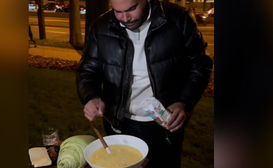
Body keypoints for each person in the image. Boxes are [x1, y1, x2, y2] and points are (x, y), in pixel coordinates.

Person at [76, 0, 213, 167]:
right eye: (117, 11)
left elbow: (200, 64)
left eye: (132, 8)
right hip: (118, 123)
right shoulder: (100, 26)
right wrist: (92, 95)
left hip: (164, 124)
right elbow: (87, 70)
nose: (125, 18)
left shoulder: (178, 18)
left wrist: (183, 101)